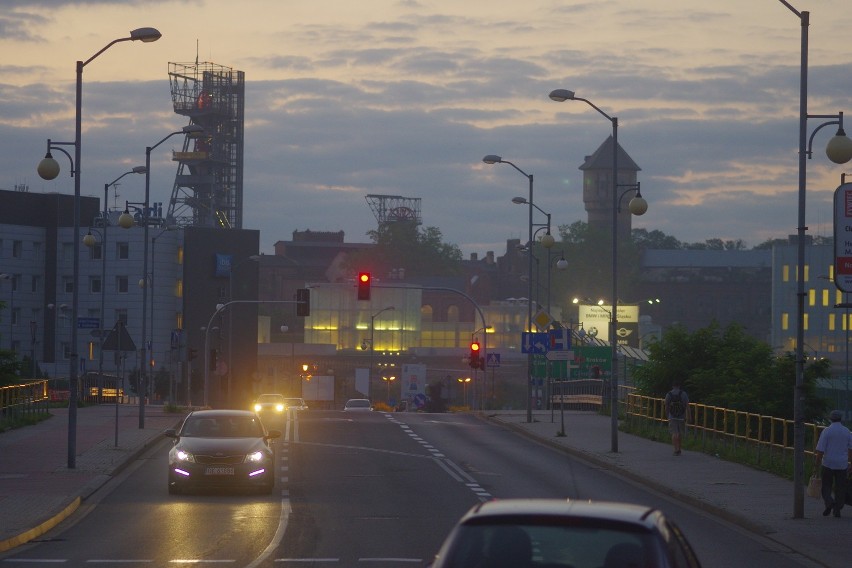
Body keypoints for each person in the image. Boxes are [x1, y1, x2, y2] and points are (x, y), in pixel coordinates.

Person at [814, 409, 852, 518]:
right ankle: (838, 509)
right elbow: (851, 449)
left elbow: (820, 450)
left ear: (830, 419)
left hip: (828, 463)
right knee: (840, 487)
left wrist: (816, 464)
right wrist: (850, 463)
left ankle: (830, 502)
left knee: (826, 486)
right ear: (841, 419)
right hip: (842, 464)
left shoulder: (826, 431)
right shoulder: (847, 431)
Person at [664, 381, 689, 456]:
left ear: (672, 386)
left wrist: (667, 415)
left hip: (672, 416)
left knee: (674, 433)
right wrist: (689, 417)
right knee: (680, 433)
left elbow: (666, 406)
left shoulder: (669, 394)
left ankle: (676, 449)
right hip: (681, 416)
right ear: (679, 386)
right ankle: (679, 449)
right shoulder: (683, 394)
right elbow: (687, 406)